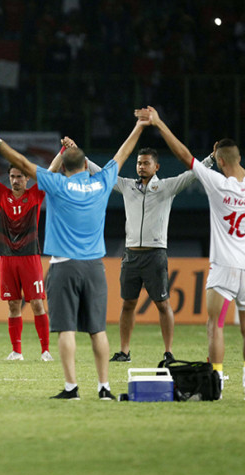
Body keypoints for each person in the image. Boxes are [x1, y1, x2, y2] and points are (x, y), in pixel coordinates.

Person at [0, 115, 146, 401]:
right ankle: (104, 388)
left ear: (63, 167)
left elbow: (22, 163)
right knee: (98, 331)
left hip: (63, 266)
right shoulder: (101, 182)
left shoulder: (56, 184)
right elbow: (122, 154)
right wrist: (140, 126)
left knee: (66, 330)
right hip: (95, 266)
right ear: (86, 166)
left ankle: (72, 388)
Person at [144, 105, 245, 401]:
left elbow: (184, 155)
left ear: (221, 160)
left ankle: (217, 387)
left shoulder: (218, 183)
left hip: (224, 267)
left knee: (215, 326)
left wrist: (159, 123)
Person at [83, 143, 215, 364]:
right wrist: (81, 157)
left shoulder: (166, 187)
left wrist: (211, 158)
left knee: (163, 304)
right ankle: (124, 352)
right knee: (128, 304)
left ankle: (168, 352)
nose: (141, 166)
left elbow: (193, 174)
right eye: (139, 163)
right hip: (131, 255)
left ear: (156, 167)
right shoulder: (127, 186)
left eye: (146, 163)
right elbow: (102, 173)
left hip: (155, 255)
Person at [0, 142, 66, 362]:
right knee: (13, 305)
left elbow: (51, 171)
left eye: (19, 177)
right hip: (7, 258)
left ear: (27, 178)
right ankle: (17, 352)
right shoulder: (2, 194)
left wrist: (62, 151)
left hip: (30, 257)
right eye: (12, 177)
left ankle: (45, 351)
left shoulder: (36, 194)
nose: (15, 180)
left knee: (37, 303)